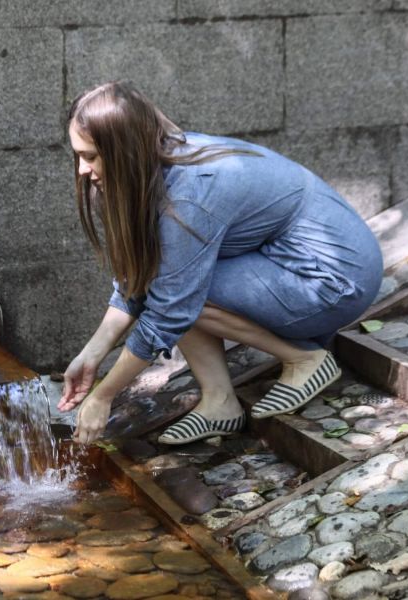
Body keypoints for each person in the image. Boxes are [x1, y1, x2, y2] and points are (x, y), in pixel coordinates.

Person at [57, 82, 383, 445]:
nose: (83, 169)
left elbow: (169, 309)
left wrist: (103, 396)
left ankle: (304, 360)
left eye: (90, 156)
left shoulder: (189, 196)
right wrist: (92, 354)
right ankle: (220, 404)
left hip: (334, 279)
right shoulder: (161, 158)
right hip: (291, 262)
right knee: (173, 282)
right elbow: (138, 274)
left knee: (177, 292)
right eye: (79, 156)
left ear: (124, 151)